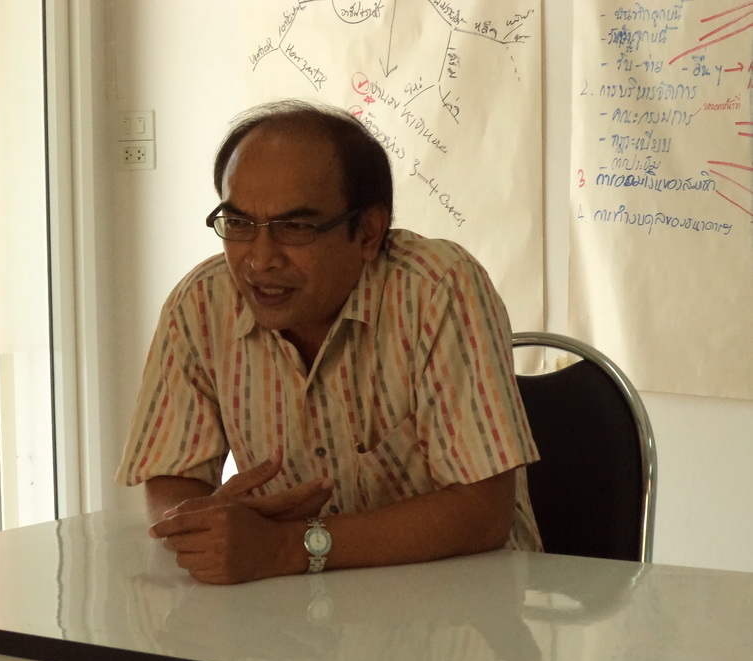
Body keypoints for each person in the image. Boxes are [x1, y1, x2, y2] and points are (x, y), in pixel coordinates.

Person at [117, 99, 542, 585]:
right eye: (238, 224)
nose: (260, 259)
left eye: (294, 228)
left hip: (465, 601)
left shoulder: (438, 289)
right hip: (294, 605)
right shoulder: (200, 303)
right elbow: (171, 481)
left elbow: (482, 513)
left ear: (368, 232)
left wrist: (289, 545)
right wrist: (207, 521)